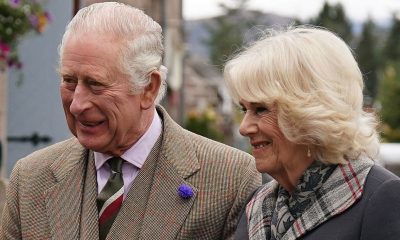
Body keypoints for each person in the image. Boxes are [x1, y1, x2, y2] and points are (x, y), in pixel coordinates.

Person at [0, 2, 261, 239]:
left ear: (148, 88)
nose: (77, 104)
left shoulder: (230, 179)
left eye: (95, 84)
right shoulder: (30, 179)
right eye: (69, 81)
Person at [224, 26, 400, 240]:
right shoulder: (257, 207)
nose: (244, 127)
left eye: (261, 109)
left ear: (312, 112)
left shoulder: (383, 199)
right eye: (244, 109)